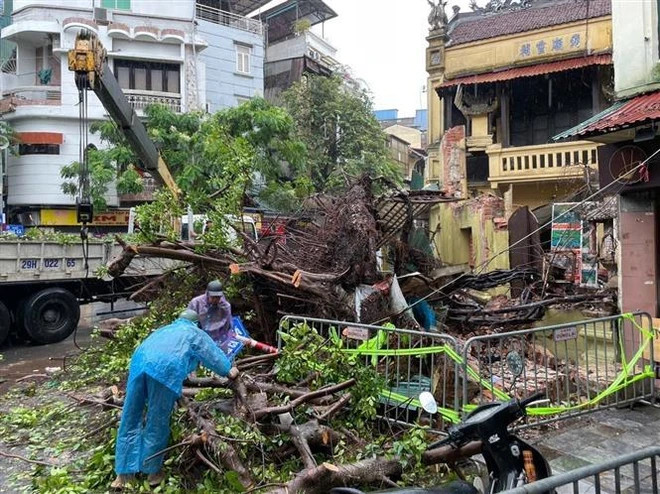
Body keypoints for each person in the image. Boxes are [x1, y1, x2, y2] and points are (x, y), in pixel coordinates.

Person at [111, 309, 238, 490]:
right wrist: (228, 370)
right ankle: (152, 471)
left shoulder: (165, 329)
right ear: (196, 324)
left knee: (130, 416)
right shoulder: (193, 332)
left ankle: (123, 475)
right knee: (157, 420)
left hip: (138, 364)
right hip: (164, 370)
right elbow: (212, 355)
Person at [187, 280, 233, 347]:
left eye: (218, 297)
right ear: (208, 294)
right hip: (198, 338)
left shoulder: (225, 307)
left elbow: (227, 327)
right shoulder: (196, 303)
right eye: (213, 297)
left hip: (216, 341)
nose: (215, 300)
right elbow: (188, 323)